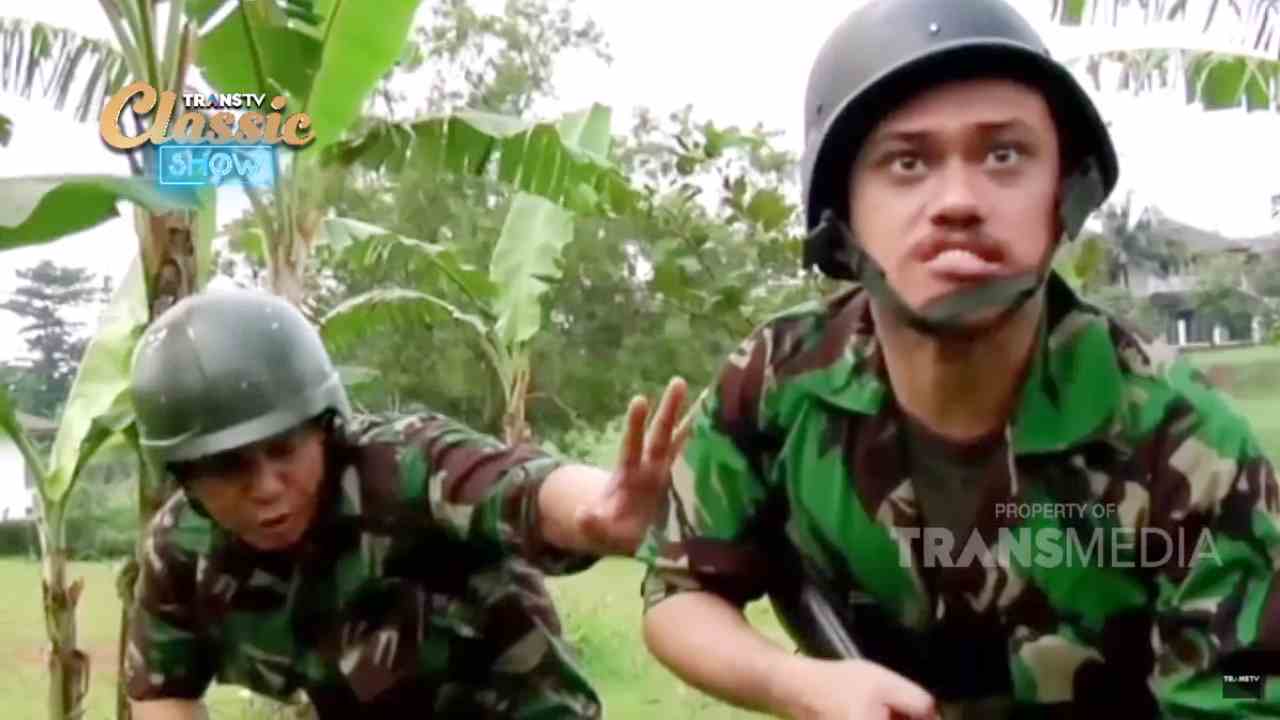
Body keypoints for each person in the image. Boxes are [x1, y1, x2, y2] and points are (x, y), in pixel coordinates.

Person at [636, 0, 1280, 718]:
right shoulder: (777, 383)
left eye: (1004, 155)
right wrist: (802, 685)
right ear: (841, 214)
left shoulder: (1184, 441)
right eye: (907, 162)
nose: (958, 202)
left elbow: (1251, 684)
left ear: (1064, 194)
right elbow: (680, 588)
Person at [124, 288, 689, 719]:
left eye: (284, 450)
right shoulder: (181, 550)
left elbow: (518, 485)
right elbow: (162, 691)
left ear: (324, 428)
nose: (267, 486)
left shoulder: (402, 466)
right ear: (184, 477)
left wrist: (601, 508)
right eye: (229, 467)